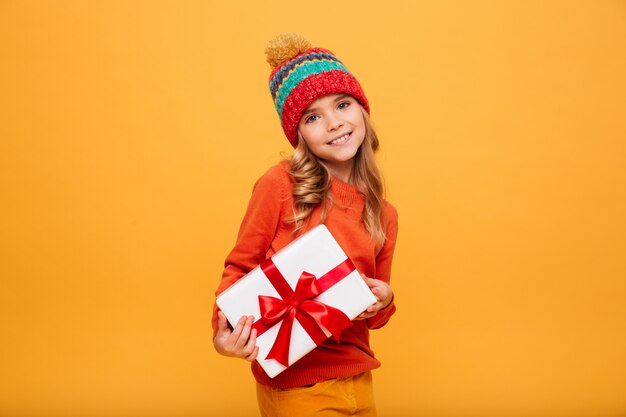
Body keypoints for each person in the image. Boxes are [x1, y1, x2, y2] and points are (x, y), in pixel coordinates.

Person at [212, 32, 399, 417]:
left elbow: (375, 312)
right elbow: (241, 266)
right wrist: (224, 331)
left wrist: (384, 300)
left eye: (342, 105)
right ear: (299, 134)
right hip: (298, 387)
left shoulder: (384, 214)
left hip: (360, 382)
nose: (333, 123)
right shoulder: (281, 185)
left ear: (362, 110)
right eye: (313, 117)